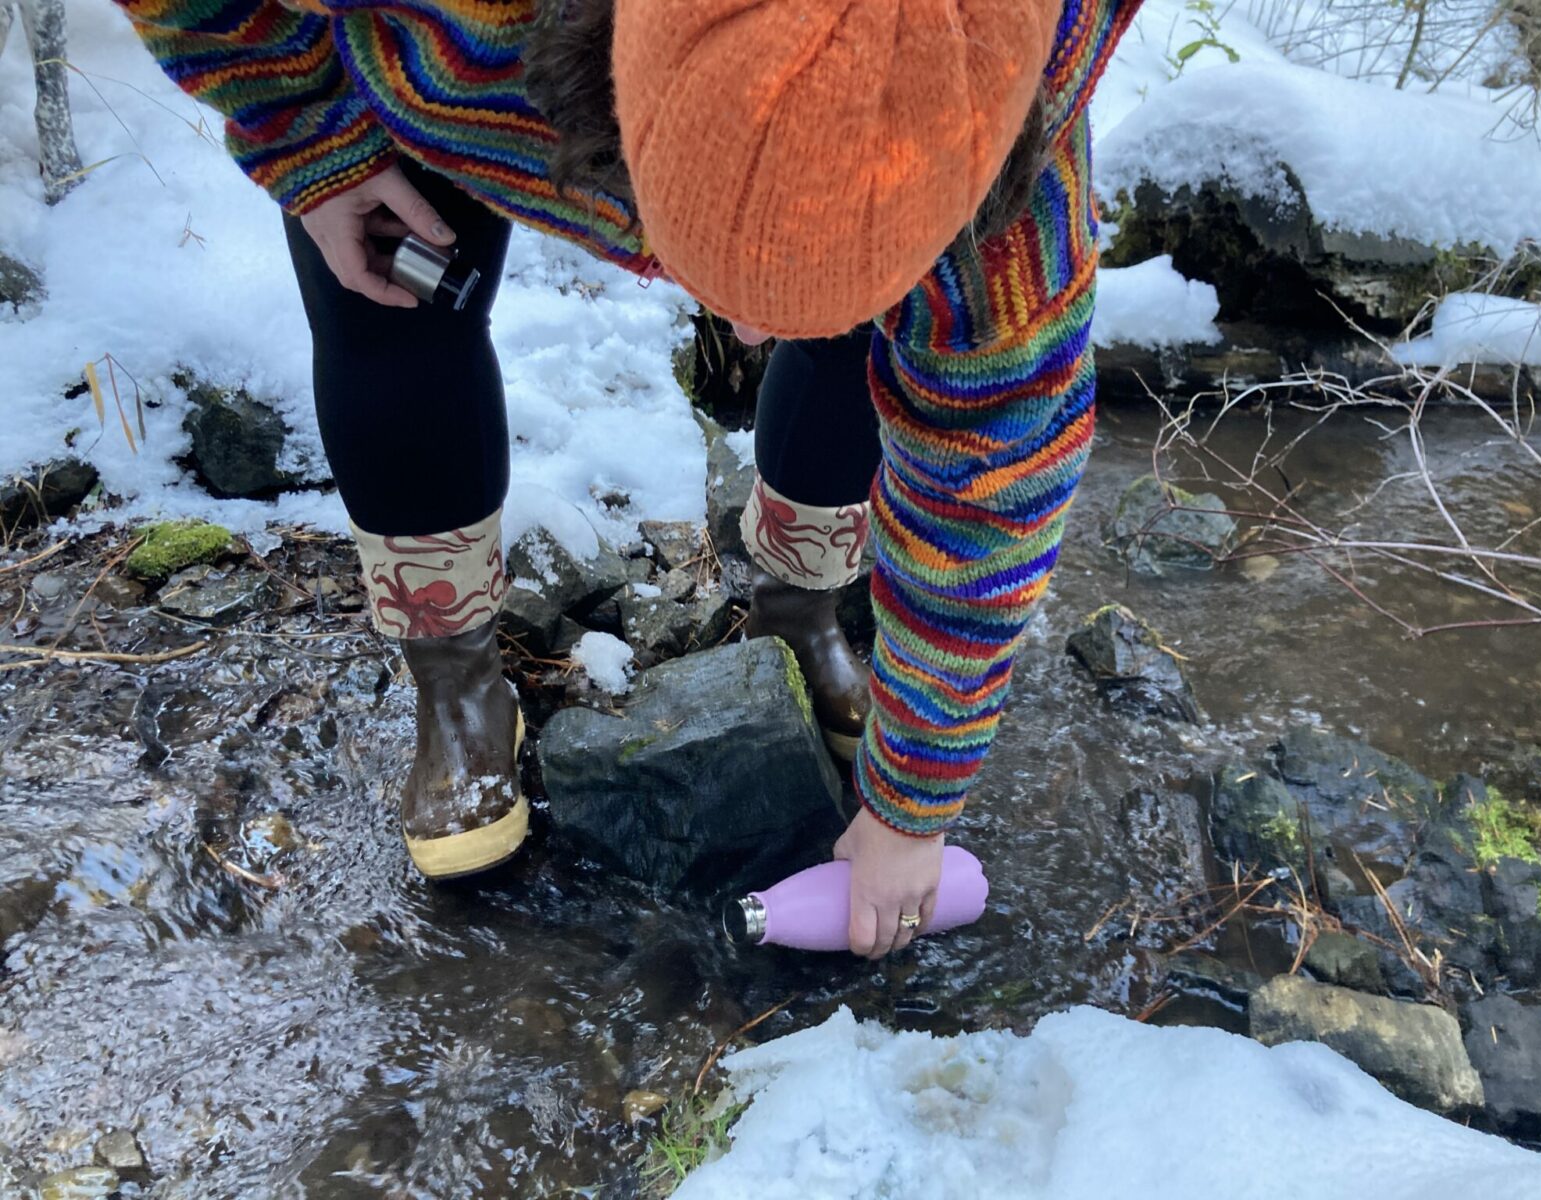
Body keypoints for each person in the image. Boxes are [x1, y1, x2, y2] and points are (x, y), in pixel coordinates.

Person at [113, 0, 1142, 959]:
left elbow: (989, 492)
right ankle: (455, 680)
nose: (745, 330)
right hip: (450, 91)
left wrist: (913, 806)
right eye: (722, 283)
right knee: (389, 293)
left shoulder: (1011, 213)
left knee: (858, 336)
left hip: (923, 168)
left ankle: (802, 606)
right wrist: (305, 139)